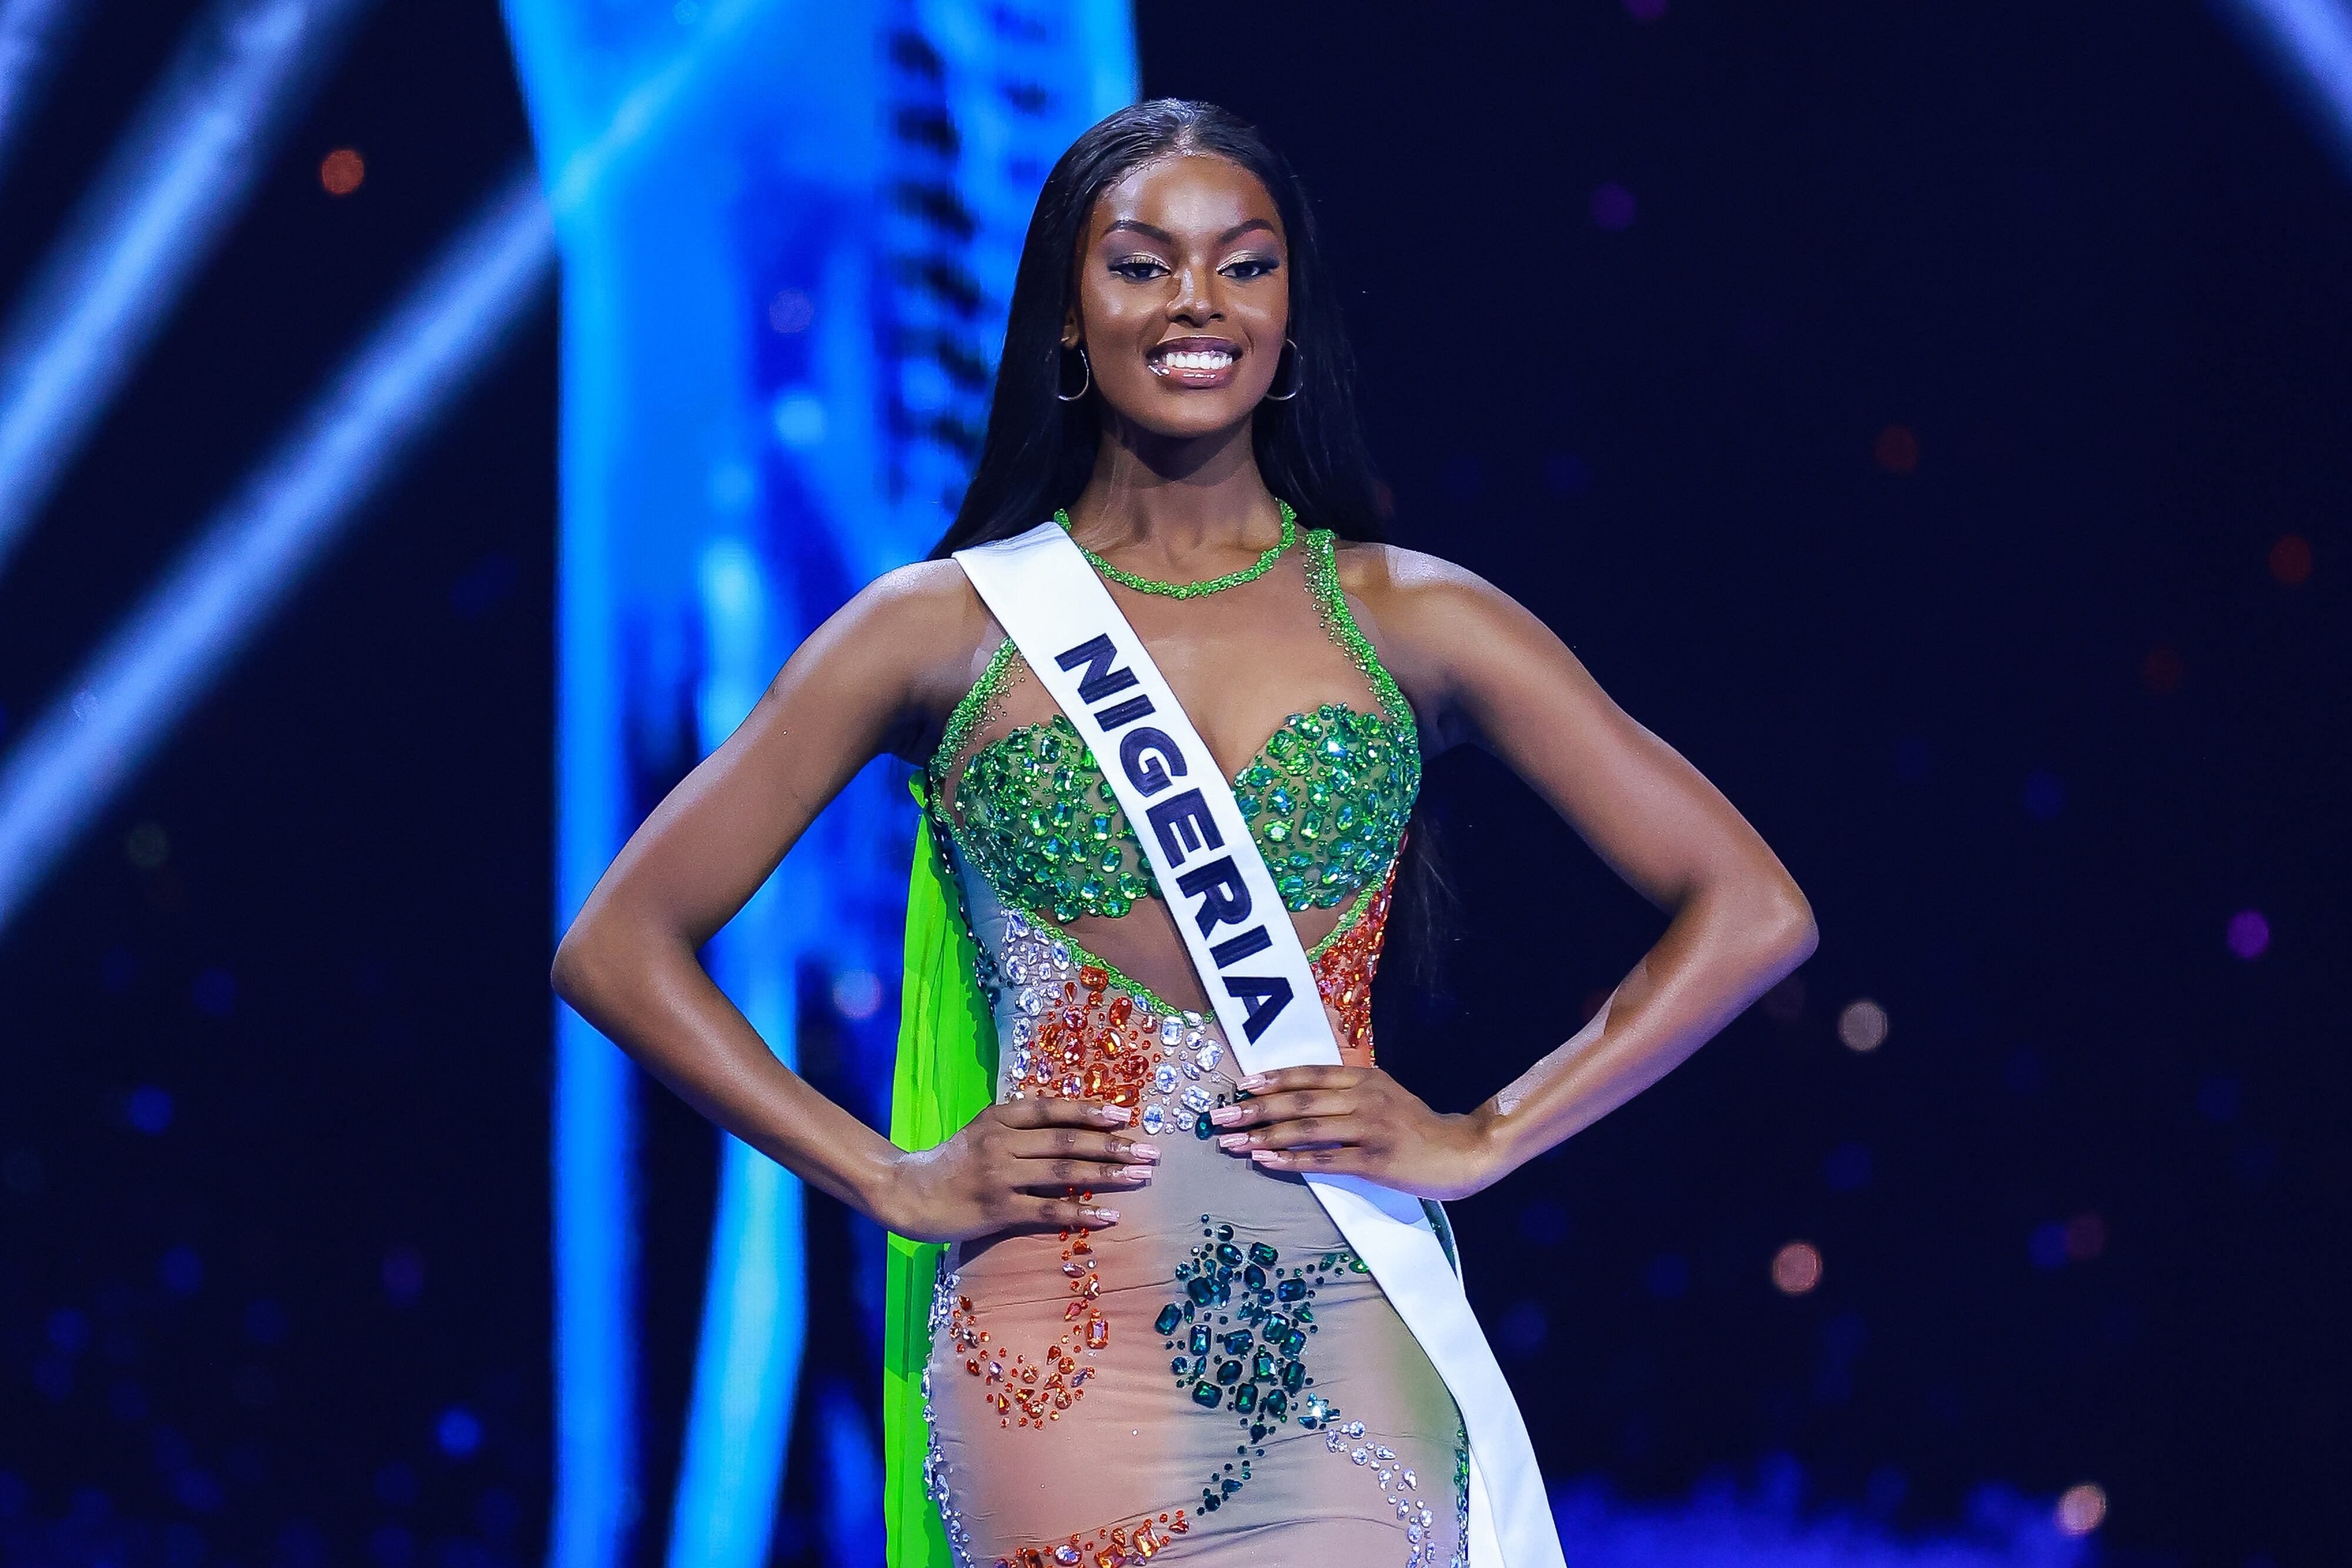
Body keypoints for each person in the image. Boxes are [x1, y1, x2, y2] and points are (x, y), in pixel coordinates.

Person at [551, 99, 1816, 1568]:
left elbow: (1749, 907)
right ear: (1067, 325)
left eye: (1246, 265)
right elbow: (617, 945)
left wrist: (1485, 1132)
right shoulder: (939, 627)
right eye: (1143, 266)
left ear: (1290, 317)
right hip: (1054, 1356)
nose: (1199, 304)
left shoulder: (1413, 614)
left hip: (1344, 1332)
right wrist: (888, 1178)